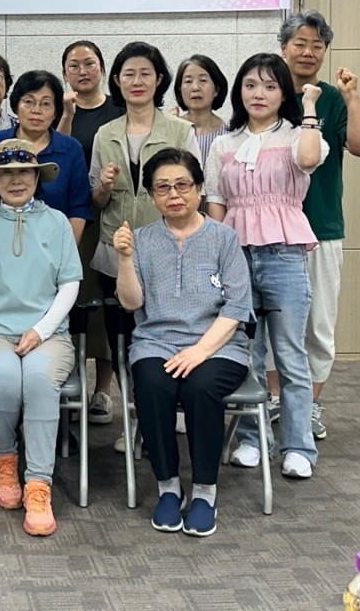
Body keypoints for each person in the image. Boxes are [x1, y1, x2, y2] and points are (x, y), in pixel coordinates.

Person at [112, 149, 253, 537]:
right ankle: (169, 488)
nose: (173, 194)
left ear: (199, 188)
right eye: (162, 188)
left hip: (219, 344)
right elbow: (131, 303)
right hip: (156, 341)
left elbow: (237, 307)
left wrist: (200, 351)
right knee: (151, 385)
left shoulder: (224, 238)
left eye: (182, 185)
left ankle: (205, 492)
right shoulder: (141, 240)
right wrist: (124, 258)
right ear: (151, 196)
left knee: (200, 387)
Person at [205, 53, 328, 480]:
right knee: (246, 354)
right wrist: (220, 256)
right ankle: (252, 440)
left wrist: (308, 107)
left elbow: (308, 161)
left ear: (284, 93)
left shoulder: (298, 135)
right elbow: (216, 201)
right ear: (239, 90)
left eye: (271, 86)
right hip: (237, 256)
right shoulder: (224, 143)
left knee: (290, 355)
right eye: (251, 85)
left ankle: (298, 447)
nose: (259, 94)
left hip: (284, 254)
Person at [0, 139, 82, 536]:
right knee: (6, 380)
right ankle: (5, 461)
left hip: (49, 333)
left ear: (36, 177)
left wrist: (41, 330)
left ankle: (39, 483)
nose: (16, 180)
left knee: (41, 381)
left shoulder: (57, 222)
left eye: (24, 172)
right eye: (6, 173)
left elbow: (70, 283)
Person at [88, 42, 198, 452]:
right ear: (116, 81)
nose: (137, 81)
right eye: (128, 74)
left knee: (168, 333)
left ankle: (167, 413)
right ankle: (135, 418)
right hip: (115, 252)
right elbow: (97, 200)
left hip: (169, 250)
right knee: (124, 338)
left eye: (145, 73)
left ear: (159, 80)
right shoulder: (105, 134)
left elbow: (192, 192)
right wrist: (103, 185)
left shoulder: (179, 131)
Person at [274, 11, 360, 440]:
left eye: (317, 45)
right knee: (273, 323)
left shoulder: (333, 98)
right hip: (270, 231)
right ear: (283, 47)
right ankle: (276, 403)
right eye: (300, 43)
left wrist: (353, 98)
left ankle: (309, 406)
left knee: (318, 324)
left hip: (321, 228)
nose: (308, 52)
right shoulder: (267, 91)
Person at [57, 40, 124, 424]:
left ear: (102, 67)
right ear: (65, 72)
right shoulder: (58, 109)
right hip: (71, 218)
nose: (82, 71)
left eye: (89, 63)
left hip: (110, 216)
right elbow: (57, 151)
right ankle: (70, 382)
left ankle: (102, 390)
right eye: (74, 65)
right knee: (77, 298)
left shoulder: (118, 109)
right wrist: (66, 114)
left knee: (107, 302)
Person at [0, 70, 91, 243]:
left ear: (55, 111)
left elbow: (78, 208)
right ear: (16, 105)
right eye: (28, 102)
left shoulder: (71, 148)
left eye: (46, 104)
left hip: (53, 242)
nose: (36, 110)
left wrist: (66, 251)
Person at [172, 54, 230, 166]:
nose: (195, 87)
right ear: (180, 90)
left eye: (203, 80)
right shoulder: (172, 129)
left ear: (216, 89)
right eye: (188, 81)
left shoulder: (229, 134)